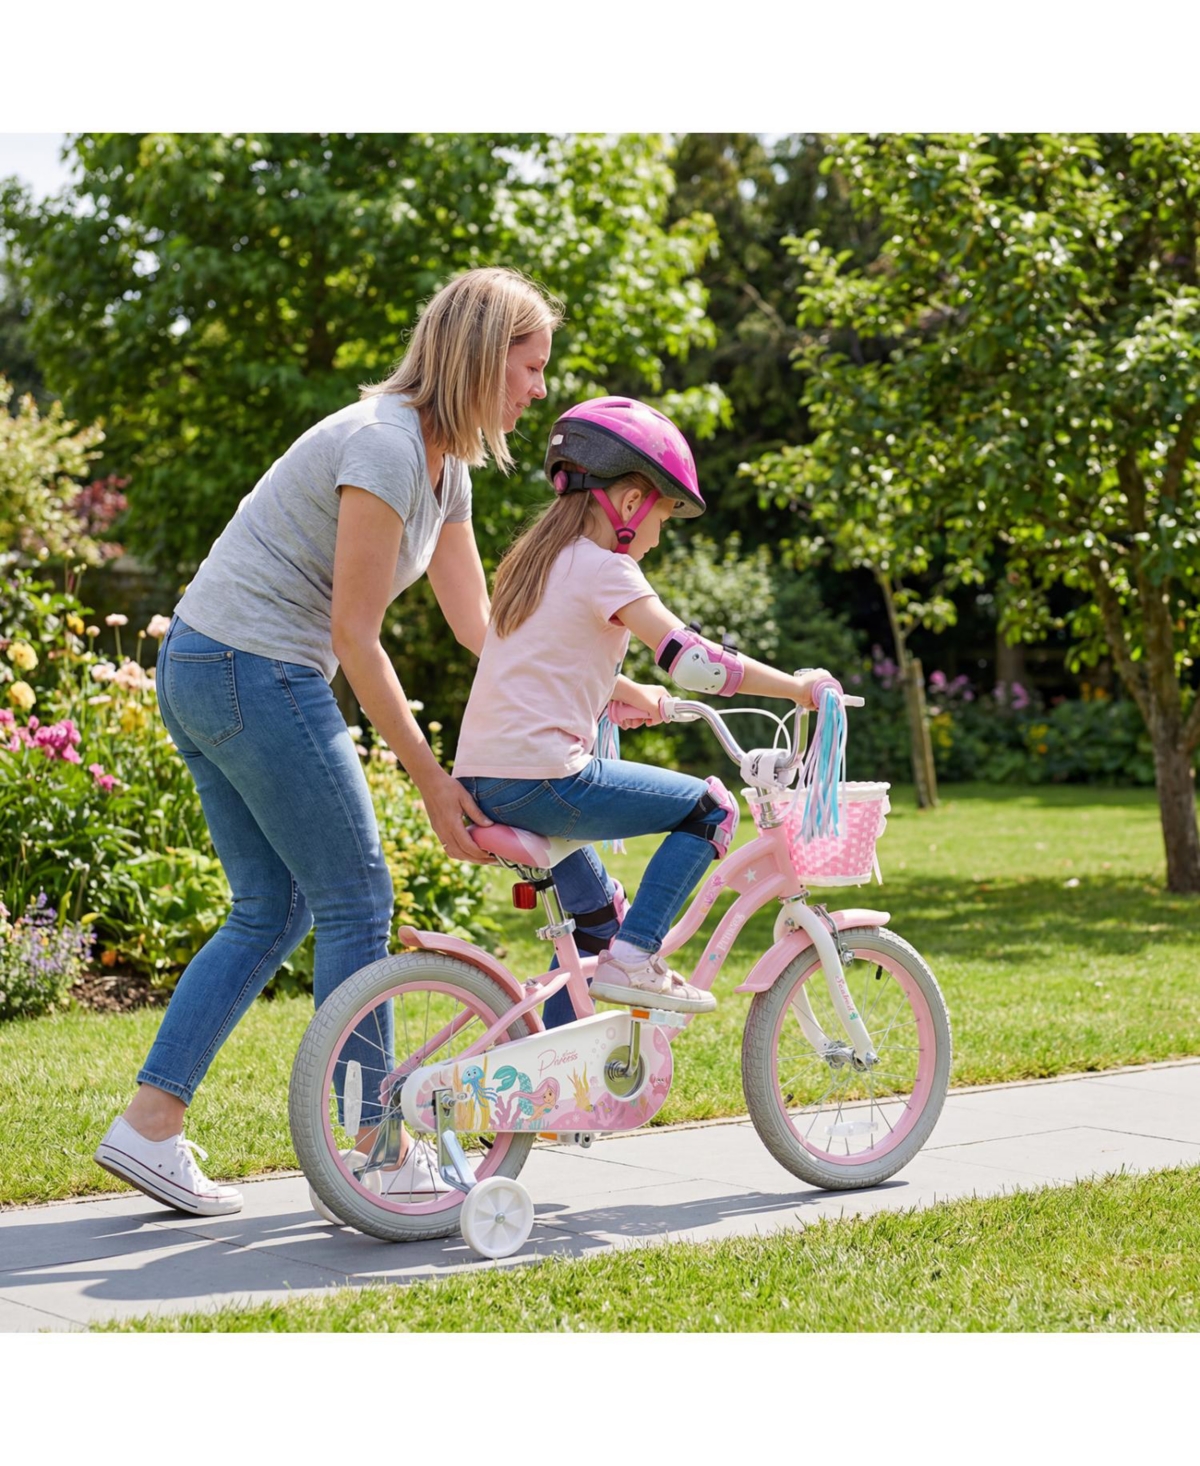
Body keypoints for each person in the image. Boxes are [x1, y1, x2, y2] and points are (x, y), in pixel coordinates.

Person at [94, 266, 564, 1215]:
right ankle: (375, 1151)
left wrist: (596, 682)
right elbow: (355, 636)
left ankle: (148, 1126)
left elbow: (478, 627)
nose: (540, 388)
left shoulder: (446, 467)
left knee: (272, 909)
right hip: (251, 665)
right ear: (481, 358)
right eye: (530, 365)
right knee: (357, 896)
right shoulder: (384, 445)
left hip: (208, 663)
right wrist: (430, 778)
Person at [454, 396, 830, 1025]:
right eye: (665, 514)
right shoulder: (609, 570)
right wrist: (798, 689)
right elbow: (694, 662)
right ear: (630, 504)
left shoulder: (536, 562)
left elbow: (550, 663)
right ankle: (636, 960)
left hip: (488, 778)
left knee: (598, 918)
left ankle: (548, 1069)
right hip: (545, 777)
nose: (658, 536)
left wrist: (629, 695)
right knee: (711, 809)